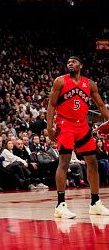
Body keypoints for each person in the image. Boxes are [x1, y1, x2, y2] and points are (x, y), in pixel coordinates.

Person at [47, 56, 109, 218]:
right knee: (64, 162)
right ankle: (60, 205)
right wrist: (49, 127)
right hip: (65, 124)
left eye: (73, 62)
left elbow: (101, 105)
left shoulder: (90, 84)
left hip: (82, 125)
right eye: (68, 62)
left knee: (92, 162)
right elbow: (51, 105)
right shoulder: (60, 81)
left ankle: (95, 203)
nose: (70, 64)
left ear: (81, 65)